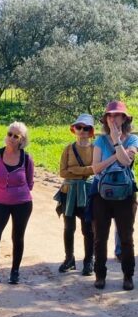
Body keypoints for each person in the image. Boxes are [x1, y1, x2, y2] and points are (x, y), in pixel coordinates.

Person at [91, 101, 137, 291]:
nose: (113, 118)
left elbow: (127, 162)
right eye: (110, 115)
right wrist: (114, 156)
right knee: (100, 237)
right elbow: (95, 168)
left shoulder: (133, 140)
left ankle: (128, 276)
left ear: (124, 118)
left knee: (126, 237)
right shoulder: (100, 141)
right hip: (102, 195)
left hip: (126, 195)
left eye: (117, 115)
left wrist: (117, 141)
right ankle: (100, 275)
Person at [0, 122, 34, 287]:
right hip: (0, 203)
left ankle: (15, 271)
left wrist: (16, 194)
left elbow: (30, 183)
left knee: (17, 237)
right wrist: (1, 193)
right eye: (9, 134)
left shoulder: (26, 158)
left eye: (15, 136)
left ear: (21, 140)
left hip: (23, 204)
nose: (11, 138)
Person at [56, 114, 95, 276]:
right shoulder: (68, 149)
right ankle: (69, 259)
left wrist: (75, 170)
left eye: (86, 128)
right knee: (69, 227)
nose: (82, 131)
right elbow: (62, 172)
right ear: (74, 129)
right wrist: (85, 171)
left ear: (91, 131)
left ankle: (88, 261)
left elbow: (96, 169)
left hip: (87, 192)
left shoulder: (95, 149)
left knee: (88, 229)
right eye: (79, 127)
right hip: (69, 192)